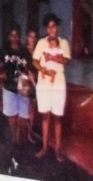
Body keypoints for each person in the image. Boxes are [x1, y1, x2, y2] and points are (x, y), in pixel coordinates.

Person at [33, 13, 71, 162]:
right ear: (46, 28)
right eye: (48, 26)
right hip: (44, 83)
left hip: (59, 83)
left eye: (53, 25)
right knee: (45, 116)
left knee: (58, 117)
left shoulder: (63, 43)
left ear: (57, 27)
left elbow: (65, 60)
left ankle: (58, 149)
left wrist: (51, 58)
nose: (51, 29)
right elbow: (35, 60)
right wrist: (43, 70)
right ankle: (44, 147)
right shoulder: (41, 42)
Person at [0, 24, 33, 148]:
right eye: (12, 35)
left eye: (16, 35)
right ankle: (14, 138)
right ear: (9, 36)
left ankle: (18, 136)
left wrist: (29, 77)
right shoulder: (4, 49)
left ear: (19, 36)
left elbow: (29, 68)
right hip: (9, 86)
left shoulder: (24, 51)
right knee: (12, 115)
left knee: (22, 116)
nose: (14, 37)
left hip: (22, 87)